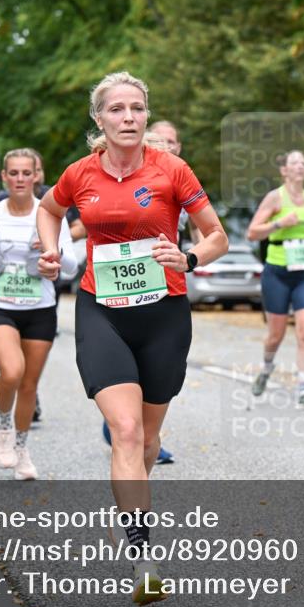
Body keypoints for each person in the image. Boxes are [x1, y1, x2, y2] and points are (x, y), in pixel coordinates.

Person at [36, 71, 228, 606]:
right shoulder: (80, 174)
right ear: (98, 118)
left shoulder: (172, 169)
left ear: (146, 115)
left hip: (164, 312)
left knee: (146, 441)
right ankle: (143, 555)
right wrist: (53, 253)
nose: (128, 118)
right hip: (103, 312)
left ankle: (130, 510)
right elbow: (49, 209)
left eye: (137, 109)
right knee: (122, 431)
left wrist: (187, 258)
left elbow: (217, 236)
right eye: (116, 109)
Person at [0, 149, 77, 481]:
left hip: (41, 309)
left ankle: (21, 448)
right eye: (13, 173)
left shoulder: (51, 216)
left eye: (25, 173)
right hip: (1, 305)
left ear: (36, 176)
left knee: (29, 386)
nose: (19, 179)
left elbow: (71, 266)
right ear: (4, 177)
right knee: (12, 372)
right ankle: (3, 426)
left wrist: (52, 254)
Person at [99, 119, 192, 463]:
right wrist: (58, 244)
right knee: (124, 369)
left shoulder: (181, 177)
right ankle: (124, 424)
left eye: (172, 142)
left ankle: (142, 434)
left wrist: (191, 256)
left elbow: (206, 228)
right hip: (116, 286)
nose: (166, 146)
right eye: (159, 141)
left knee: (154, 373)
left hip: (165, 285)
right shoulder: (130, 176)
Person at [246, 150, 304, 411]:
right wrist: (279, 223)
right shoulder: (275, 198)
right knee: (275, 336)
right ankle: (267, 368)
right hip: (278, 273)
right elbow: (252, 232)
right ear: (285, 171)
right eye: (295, 162)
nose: (300, 166)